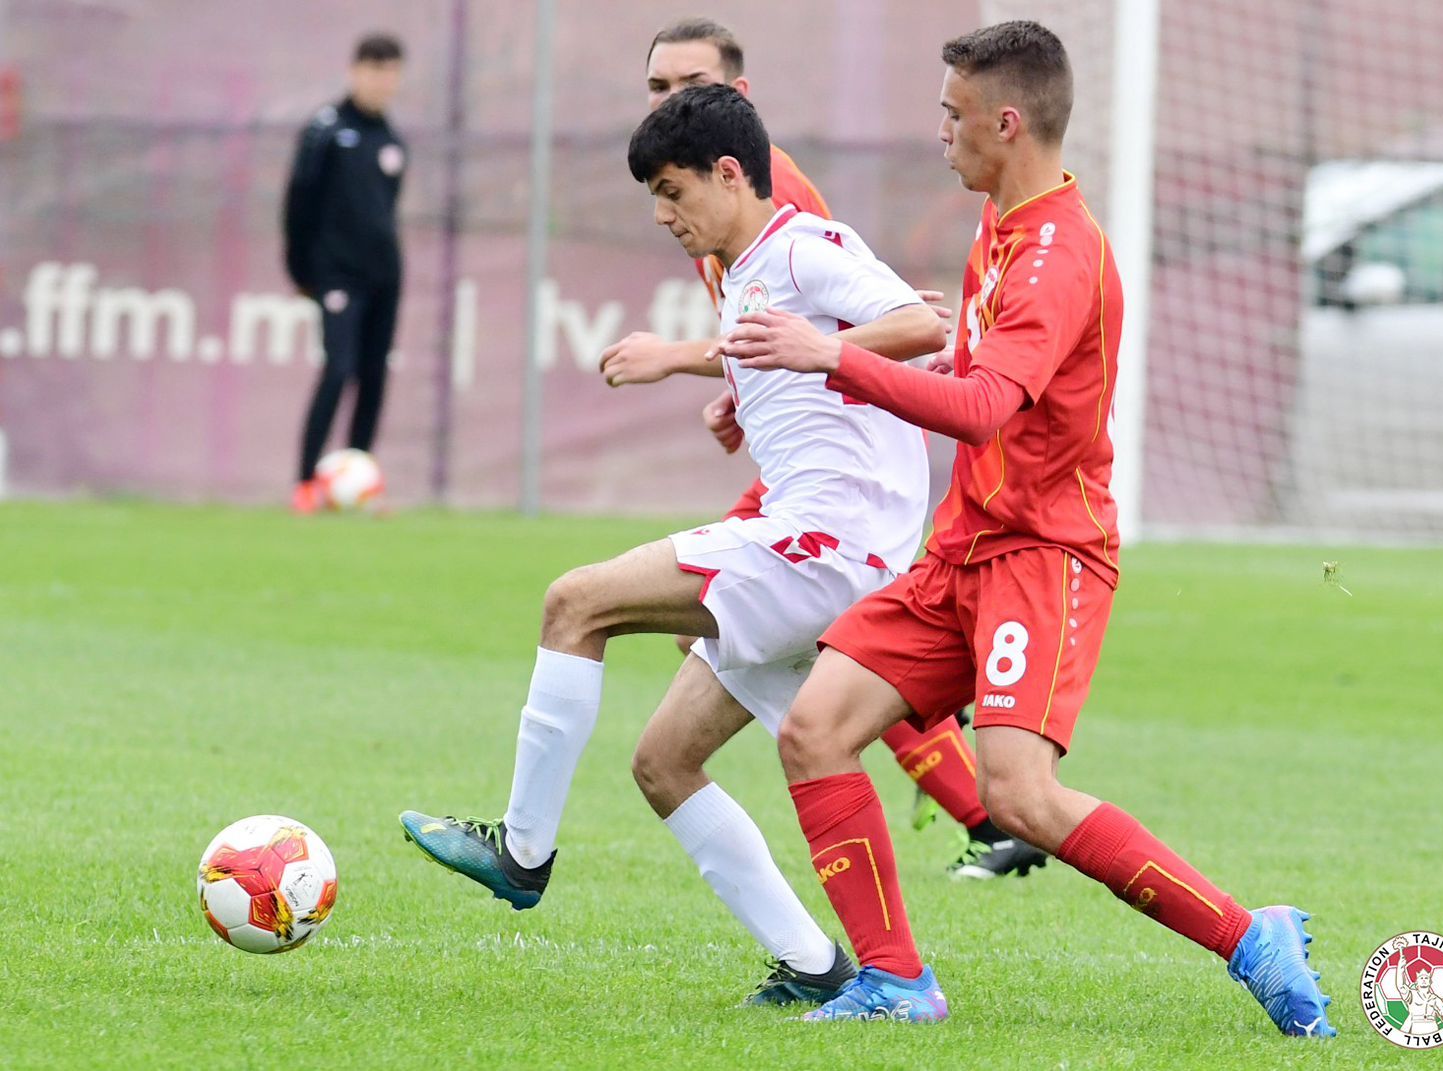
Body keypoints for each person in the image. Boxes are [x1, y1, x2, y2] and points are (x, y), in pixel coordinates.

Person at [722, 21, 1336, 1035]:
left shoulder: (1058, 255)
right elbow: (966, 383)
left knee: (1018, 795)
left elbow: (982, 408)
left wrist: (826, 357)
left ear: (1007, 123)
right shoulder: (1001, 227)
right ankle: (896, 983)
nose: (939, 135)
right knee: (817, 731)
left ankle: (1246, 935)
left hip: (1043, 555)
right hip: (964, 546)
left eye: (952, 116)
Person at [400, 84, 947, 1006]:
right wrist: (728, 374)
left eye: (672, 190)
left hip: (827, 543)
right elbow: (797, 347)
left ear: (729, 173)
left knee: (577, 601)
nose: (662, 214)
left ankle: (522, 852)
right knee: (663, 762)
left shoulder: (805, 244)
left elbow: (925, 324)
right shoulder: (749, 271)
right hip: (822, 548)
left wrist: (811, 352)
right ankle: (819, 967)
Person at [597, 16, 1046, 882]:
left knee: (793, 630)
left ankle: (981, 812)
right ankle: (978, 812)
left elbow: (841, 315)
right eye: (657, 87)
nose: (671, 101)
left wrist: (677, 358)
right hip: (803, 447)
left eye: (691, 85)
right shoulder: (689, 182)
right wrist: (739, 385)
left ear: (739, 99)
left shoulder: (768, 188)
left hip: (839, 467)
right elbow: (784, 326)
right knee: (775, 632)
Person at [283, 33, 407, 513]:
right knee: (338, 369)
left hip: (384, 276)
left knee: (374, 376)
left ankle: (360, 481)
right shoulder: (326, 129)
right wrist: (301, 269)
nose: (382, 80)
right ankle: (304, 483)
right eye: (374, 69)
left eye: (390, 71)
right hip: (338, 276)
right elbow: (299, 203)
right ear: (355, 71)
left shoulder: (392, 141)